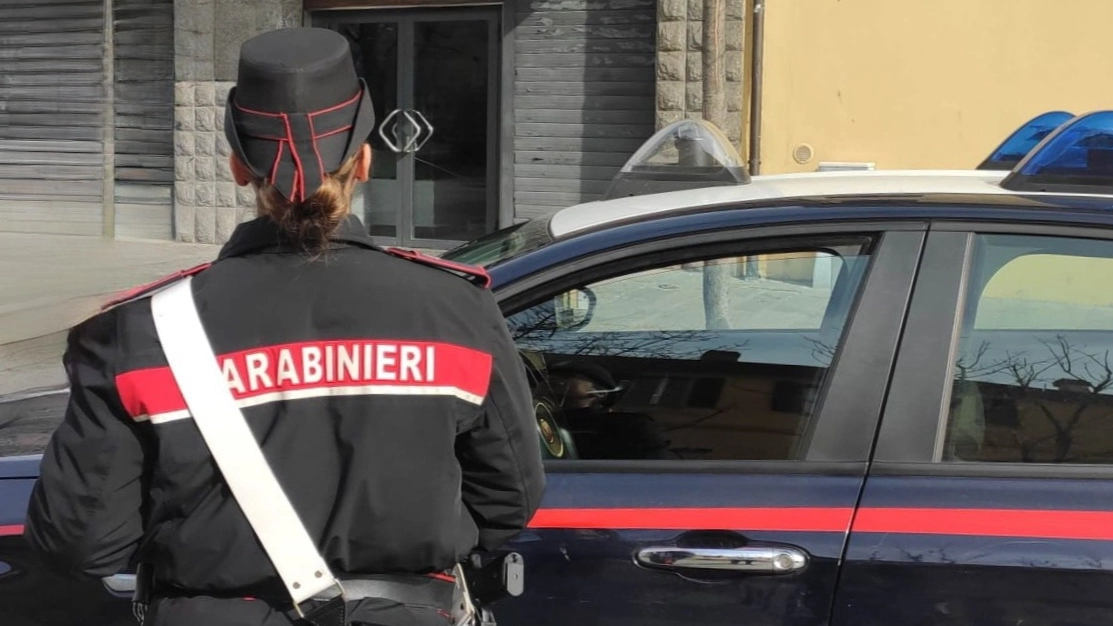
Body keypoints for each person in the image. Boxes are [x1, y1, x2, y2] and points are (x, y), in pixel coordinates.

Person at [23, 27, 545, 626]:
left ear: (239, 169)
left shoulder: (135, 332)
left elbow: (80, 542)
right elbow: (509, 503)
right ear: (366, 160)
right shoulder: (457, 311)